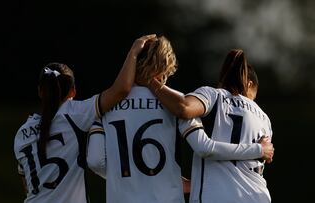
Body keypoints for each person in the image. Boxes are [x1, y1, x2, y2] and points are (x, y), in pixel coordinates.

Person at [86, 38, 274, 203]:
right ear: (165, 66)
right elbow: (203, 146)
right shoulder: (173, 103)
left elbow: (95, 161)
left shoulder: (106, 105)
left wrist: (128, 177)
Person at [13, 34, 156, 203]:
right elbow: (121, 90)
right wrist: (133, 51)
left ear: (40, 91)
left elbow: (27, 184)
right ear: (73, 91)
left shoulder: (22, 132)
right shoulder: (75, 113)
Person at [147, 49, 274, 203]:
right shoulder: (264, 119)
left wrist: (150, 80)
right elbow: (237, 171)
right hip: (259, 196)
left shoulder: (214, 95)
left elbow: (184, 108)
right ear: (249, 84)